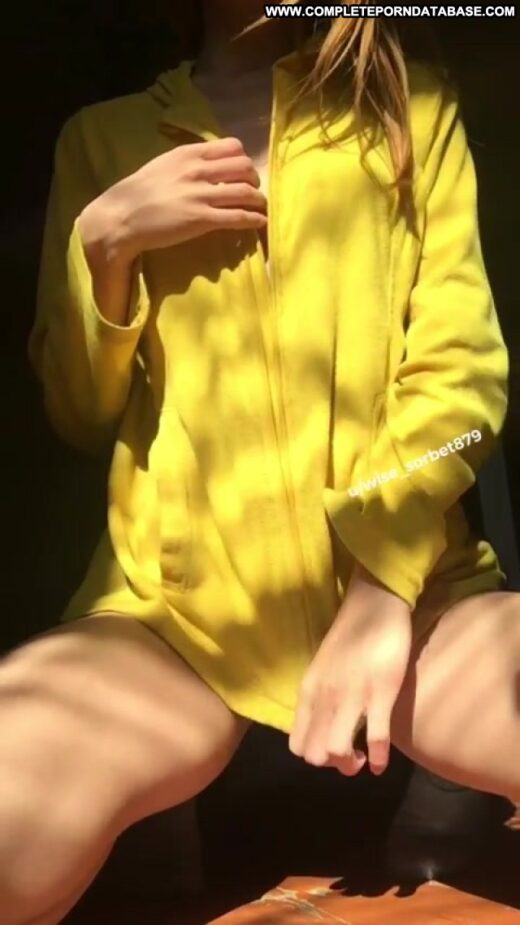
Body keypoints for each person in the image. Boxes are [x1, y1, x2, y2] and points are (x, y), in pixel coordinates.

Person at [2, 2, 519, 922]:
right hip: (172, 624)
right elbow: (79, 412)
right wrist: (104, 243)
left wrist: (381, 584)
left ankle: (440, 762)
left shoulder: (410, 110)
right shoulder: (102, 138)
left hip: (420, 603)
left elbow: (464, 380)